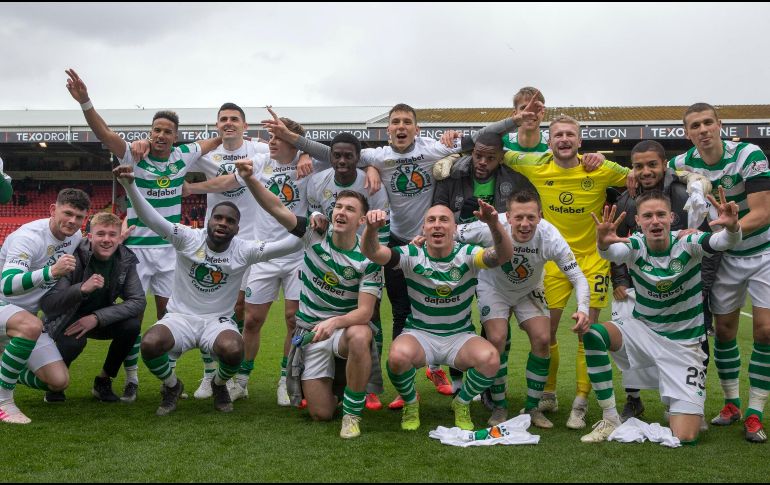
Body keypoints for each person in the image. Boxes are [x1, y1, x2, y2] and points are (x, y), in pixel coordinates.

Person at [265, 104, 532, 407]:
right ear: (388, 129)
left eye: (407, 121)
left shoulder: (432, 148)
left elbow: (478, 138)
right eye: (395, 122)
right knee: (401, 312)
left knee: (456, 304)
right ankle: (406, 391)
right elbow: (333, 154)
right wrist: (293, 139)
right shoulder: (377, 157)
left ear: (416, 128)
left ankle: (454, 376)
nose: (401, 126)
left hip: (434, 241)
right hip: (396, 244)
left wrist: (514, 121)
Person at [65, 68, 222, 402]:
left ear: (176, 136)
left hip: (170, 252)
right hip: (135, 252)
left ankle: (170, 379)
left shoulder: (185, 155)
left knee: (169, 318)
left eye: (167, 131)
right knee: (133, 317)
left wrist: (235, 129)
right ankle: (132, 378)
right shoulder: (133, 155)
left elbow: (219, 138)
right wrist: (85, 101)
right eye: (156, 130)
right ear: (149, 133)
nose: (161, 135)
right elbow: (104, 132)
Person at [113, 165, 303, 416]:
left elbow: (288, 245)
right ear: (209, 220)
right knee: (150, 343)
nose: (223, 224)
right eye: (219, 218)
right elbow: (150, 218)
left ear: (237, 229)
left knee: (235, 349)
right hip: (180, 317)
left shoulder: (244, 249)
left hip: (217, 321)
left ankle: (219, 384)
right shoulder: (188, 237)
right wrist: (130, 185)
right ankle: (172, 386)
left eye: (230, 221)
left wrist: (311, 226)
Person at [490, 114, 630, 429]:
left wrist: (687, 173)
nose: (564, 139)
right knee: (547, 333)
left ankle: (580, 404)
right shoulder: (536, 164)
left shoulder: (601, 167)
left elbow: (636, 177)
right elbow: (495, 148)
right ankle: (548, 392)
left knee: (587, 334)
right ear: (549, 141)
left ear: (580, 141)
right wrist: (447, 150)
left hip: (592, 260)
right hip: (551, 262)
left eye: (570, 134)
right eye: (558, 135)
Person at [236, 158, 381, 439]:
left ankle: (352, 415)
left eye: (350, 209)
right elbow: (276, 207)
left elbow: (365, 312)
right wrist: (251, 178)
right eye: (338, 206)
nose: (341, 212)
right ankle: (340, 390)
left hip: (343, 331)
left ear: (361, 220)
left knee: (361, 334)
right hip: (311, 333)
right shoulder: (313, 234)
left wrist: (335, 322)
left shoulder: (369, 257)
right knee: (320, 413)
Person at [583, 189, 740, 444]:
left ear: (671, 218)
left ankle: (681, 405)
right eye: (648, 216)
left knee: (686, 436)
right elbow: (613, 254)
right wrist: (603, 242)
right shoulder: (635, 245)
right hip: (644, 332)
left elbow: (722, 242)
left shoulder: (688, 243)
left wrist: (732, 229)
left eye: (660, 215)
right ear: (638, 222)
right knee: (593, 333)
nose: (654, 221)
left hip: (685, 345)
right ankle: (610, 418)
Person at [184, 115, 311, 404]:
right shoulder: (262, 160)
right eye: (272, 138)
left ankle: (285, 380)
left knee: (294, 319)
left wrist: (305, 152)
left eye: (279, 138)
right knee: (252, 319)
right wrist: (192, 188)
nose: (272, 142)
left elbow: (328, 154)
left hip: (297, 253)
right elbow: (228, 180)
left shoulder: (310, 165)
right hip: (264, 252)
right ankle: (241, 380)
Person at [361, 201, 513, 431]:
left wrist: (494, 225)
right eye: (431, 220)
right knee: (397, 357)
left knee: (491, 358)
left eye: (444, 220)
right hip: (421, 334)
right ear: (424, 228)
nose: (437, 225)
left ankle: (461, 403)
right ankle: (411, 403)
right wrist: (372, 229)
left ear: (454, 229)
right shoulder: (411, 253)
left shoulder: (468, 254)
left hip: (459, 336)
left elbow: (503, 255)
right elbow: (373, 252)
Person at [670, 102, 770, 442]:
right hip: (724, 258)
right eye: (694, 125)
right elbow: (661, 170)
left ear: (719, 124)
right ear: (687, 132)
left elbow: (763, 211)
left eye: (708, 122)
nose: (702, 130)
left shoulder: (748, 154)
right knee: (724, 331)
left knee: (766, 330)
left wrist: (729, 228)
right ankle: (732, 404)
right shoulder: (681, 162)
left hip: (762, 251)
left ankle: (756, 412)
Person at [456, 189, 589, 427]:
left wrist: (583, 309)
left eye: (531, 217)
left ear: (540, 216)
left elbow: (577, 276)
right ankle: (499, 407)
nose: (525, 224)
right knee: (496, 339)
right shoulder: (491, 225)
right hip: (493, 287)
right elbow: (452, 233)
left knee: (542, 338)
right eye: (519, 217)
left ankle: (532, 408)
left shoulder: (550, 236)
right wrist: (422, 238)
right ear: (509, 215)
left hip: (529, 288)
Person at [611, 140, 719, 422]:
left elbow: (707, 240)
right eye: (638, 166)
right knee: (632, 341)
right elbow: (616, 244)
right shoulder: (626, 199)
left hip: (685, 288)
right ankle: (633, 400)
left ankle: (690, 397)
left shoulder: (686, 195)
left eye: (652, 164)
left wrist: (703, 285)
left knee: (696, 342)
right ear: (632, 169)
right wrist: (620, 279)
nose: (645, 171)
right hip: (639, 287)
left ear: (664, 165)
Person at [303, 132, 390, 410]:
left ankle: (369, 386)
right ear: (330, 157)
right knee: (301, 309)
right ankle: (309, 378)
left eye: (348, 155)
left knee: (369, 316)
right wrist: (315, 217)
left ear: (358, 158)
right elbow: (314, 212)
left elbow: (383, 226)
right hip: (330, 252)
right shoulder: (318, 180)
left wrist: (374, 256)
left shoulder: (371, 183)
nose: (342, 160)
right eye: (336, 155)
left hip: (366, 256)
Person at [0, 188, 89, 422]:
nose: (72, 221)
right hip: (3, 304)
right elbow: (7, 285)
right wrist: (51, 271)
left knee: (59, 382)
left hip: (22, 315)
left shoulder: (76, 236)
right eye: (67, 213)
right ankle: (4, 403)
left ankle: (2, 369)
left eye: (79, 217)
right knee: (31, 325)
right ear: (53, 209)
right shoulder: (27, 237)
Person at [40, 212, 145, 402]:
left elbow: (138, 300)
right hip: (68, 316)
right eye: (101, 234)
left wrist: (97, 317)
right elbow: (50, 304)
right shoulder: (73, 256)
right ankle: (55, 386)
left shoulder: (125, 259)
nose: (107, 240)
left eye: (112, 234)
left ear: (119, 238)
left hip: (99, 317)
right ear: (90, 236)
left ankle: (103, 381)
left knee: (131, 326)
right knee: (74, 342)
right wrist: (81, 289)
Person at [502, 87, 549, 154]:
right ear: (515, 114)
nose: (530, 113)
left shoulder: (553, 143)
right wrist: (514, 121)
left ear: (542, 113)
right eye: (524, 108)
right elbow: (483, 136)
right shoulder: (503, 142)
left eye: (535, 107)